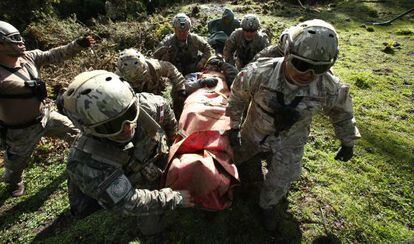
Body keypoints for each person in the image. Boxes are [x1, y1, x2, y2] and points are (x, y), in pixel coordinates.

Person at [225, 19, 361, 231]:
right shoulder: (259, 73)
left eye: (321, 67)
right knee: (234, 160)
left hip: (291, 141)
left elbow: (342, 112)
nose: (309, 74)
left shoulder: (328, 85)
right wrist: (234, 127)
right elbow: (237, 97)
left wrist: (348, 140)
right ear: (287, 53)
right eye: (302, 64)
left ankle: (268, 206)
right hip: (254, 131)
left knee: (282, 178)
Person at [60, 70, 194, 237]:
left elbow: (166, 115)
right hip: (127, 179)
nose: (127, 127)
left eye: (130, 114)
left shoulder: (149, 106)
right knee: (151, 228)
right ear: (87, 128)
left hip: (151, 157)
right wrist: (175, 198)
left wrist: (173, 139)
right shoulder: (87, 161)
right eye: (111, 125)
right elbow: (126, 201)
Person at [0, 21, 95, 197]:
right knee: (15, 166)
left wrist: (77, 45)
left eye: (20, 38)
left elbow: (54, 54)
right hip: (20, 131)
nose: (21, 42)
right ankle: (14, 182)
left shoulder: (29, 57)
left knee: (76, 134)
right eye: (14, 40)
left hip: (46, 116)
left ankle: (84, 161)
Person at [116, 48, 187, 118]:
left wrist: (181, 89)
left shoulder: (154, 67)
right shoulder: (116, 79)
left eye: (139, 79)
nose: (137, 83)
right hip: (134, 104)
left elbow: (172, 70)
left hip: (156, 95)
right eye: (133, 81)